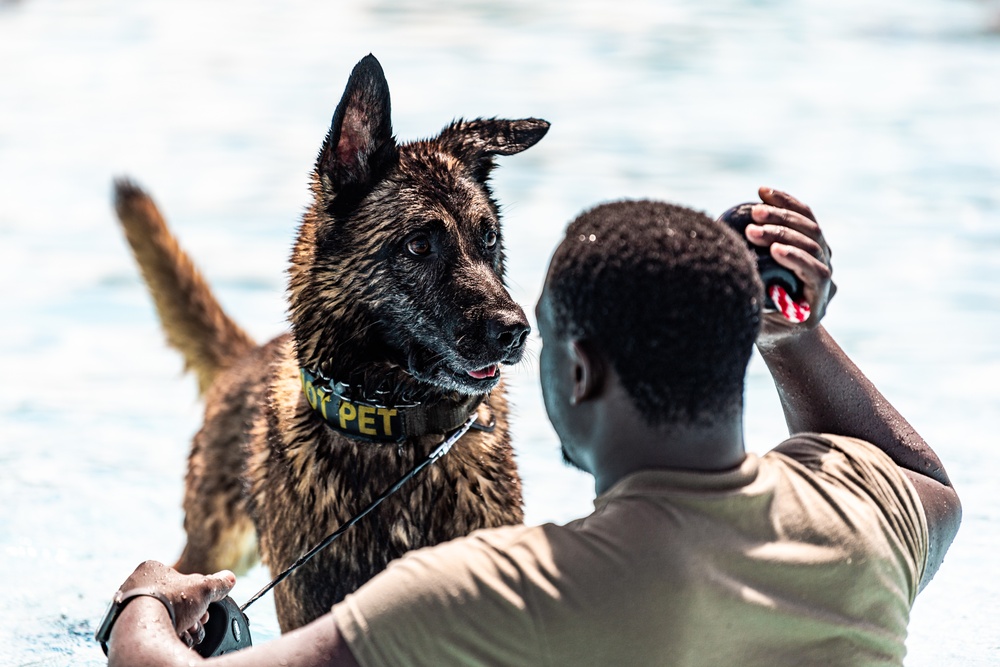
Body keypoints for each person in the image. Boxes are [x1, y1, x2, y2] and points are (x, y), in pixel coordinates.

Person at [100, 188, 961, 666]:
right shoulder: (858, 521)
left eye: (539, 331)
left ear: (579, 372)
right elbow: (930, 486)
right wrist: (798, 337)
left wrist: (144, 599)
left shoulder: (505, 590)